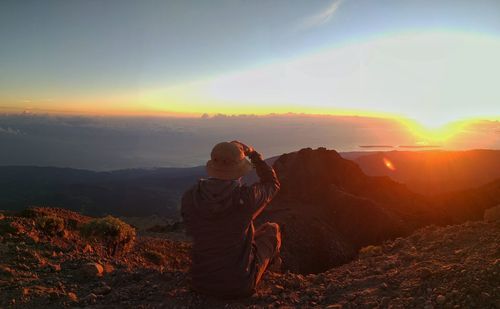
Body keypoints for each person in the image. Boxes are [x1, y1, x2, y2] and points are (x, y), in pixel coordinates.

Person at [181, 140, 281, 298]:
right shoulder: (246, 198)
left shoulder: (190, 197)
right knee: (271, 230)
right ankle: (269, 275)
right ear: (239, 170)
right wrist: (254, 155)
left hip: (200, 282)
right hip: (239, 285)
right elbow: (272, 184)